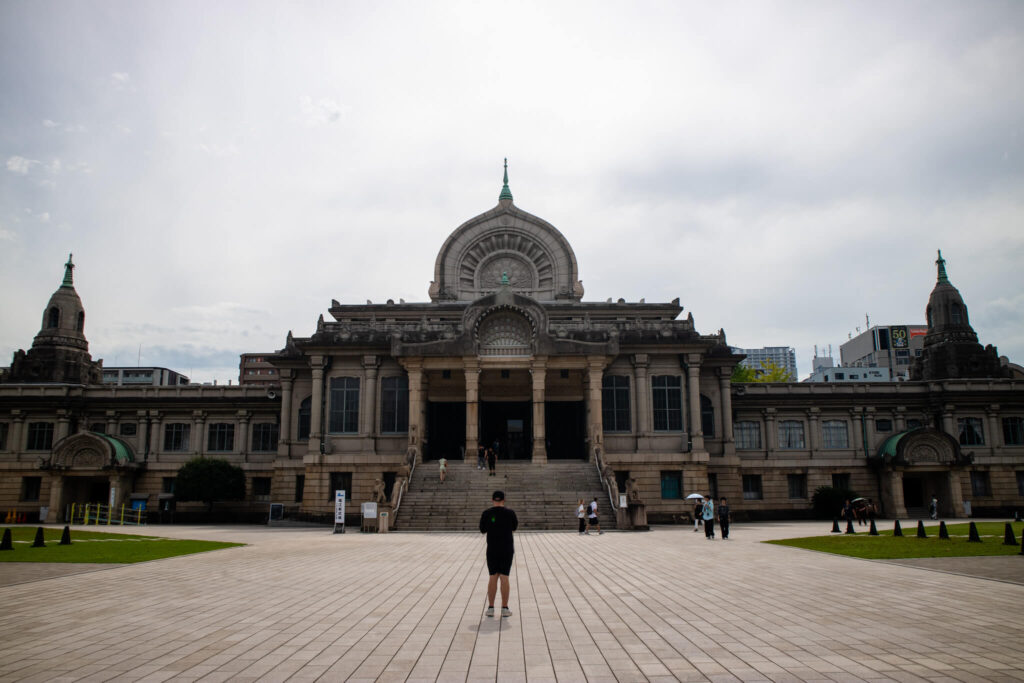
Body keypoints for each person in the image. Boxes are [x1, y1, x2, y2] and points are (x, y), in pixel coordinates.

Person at [479, 490, 517, 618]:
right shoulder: (510, 513)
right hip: (506, 549)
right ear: (504, 500)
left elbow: (482, 530)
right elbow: (514, 528)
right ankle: (505, 608)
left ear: (492, 500)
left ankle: (491, 607)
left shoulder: (487, 513)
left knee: (493, 576)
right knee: (504, 577)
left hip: (492, 549)